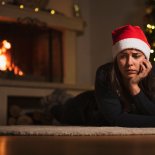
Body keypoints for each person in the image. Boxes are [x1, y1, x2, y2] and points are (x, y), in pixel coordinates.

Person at [50, 25, 155, 127]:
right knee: (59, 112)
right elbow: (116, 118)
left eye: (136, 56)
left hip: (102, 103)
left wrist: (134, 88)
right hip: (87, 108)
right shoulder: (105, 73)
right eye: (123, 56)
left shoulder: (153, 76)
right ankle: (50, 104)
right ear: (116, 59)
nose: (129, 63)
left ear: (146, 59)